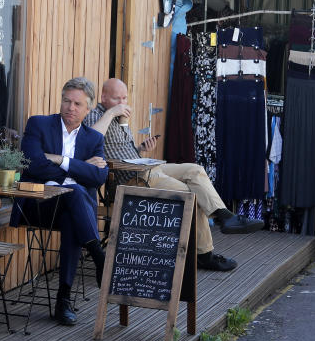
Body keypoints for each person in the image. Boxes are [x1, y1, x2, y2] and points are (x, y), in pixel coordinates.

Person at [84, 78, 263, 272]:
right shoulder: (95, 116)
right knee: (193, 194)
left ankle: (225, 216)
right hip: (131, 179)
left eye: (124, 98)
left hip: (146, 169)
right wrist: (111, 112)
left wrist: (140, 149)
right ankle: (204, 255)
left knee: (195, 171)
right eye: (116, 99)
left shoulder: (120, 119)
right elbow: (91, 139)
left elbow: (120, 151)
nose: (122, 103)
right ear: (102, 97)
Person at [13, 77, 108, 326]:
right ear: (61, 100)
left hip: (69, 211)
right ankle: (99, 256)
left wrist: (60, 160)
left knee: (71, 214)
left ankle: (63, 299)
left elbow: (99, 176)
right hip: (38, 205)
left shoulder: (93, 139)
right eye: (67, 101)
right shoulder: (39, 125)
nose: (70, 107)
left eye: (77, 104)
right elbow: (33, 164)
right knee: (76, 191)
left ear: (88, 109)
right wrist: (79, 169)